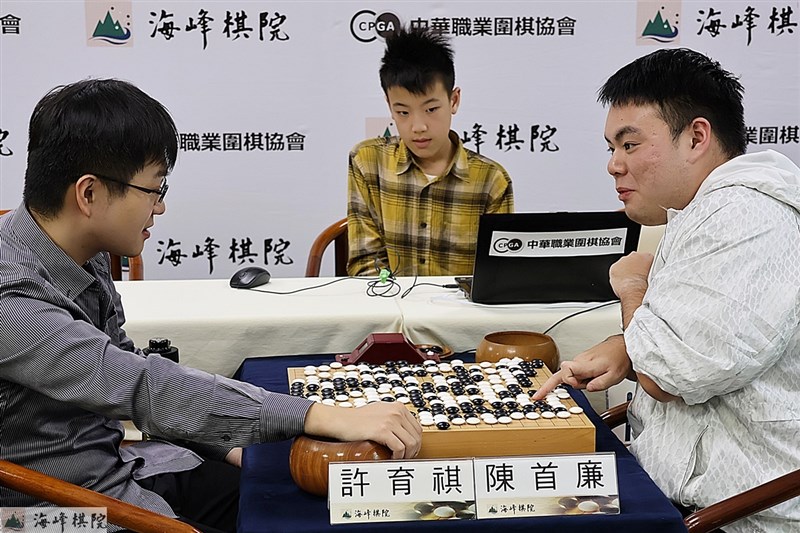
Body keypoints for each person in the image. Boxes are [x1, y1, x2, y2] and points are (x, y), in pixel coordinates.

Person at [0, 79, 422, 533]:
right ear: (89, 195)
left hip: (118, 466)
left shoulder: (83, 249)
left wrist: (226, 443)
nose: (159, 208)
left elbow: (129, 371)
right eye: (153, 190)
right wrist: (321, 414)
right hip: (51, 513)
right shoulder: (11, 301)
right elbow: (140, 385)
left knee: (301, 494)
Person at [534, 48, 800, 532]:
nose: (614, 165)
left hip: (734, 516)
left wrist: (634, 287)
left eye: (630, 145)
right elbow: (698, 343)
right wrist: (625, 347)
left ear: (697, 136)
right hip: (673, 487)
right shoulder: (710, 211)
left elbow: (667, 379)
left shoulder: (745, 218)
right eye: (611, 148)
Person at [346, 27, 514, 277]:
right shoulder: (368, 162)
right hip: (390, 310)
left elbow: (498, 275)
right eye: (403, 112)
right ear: (389, 106)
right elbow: (366, 264)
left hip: (463, 314)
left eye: (431, 109)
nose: (418, 127)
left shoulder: (491, 180)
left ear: (453, 100)